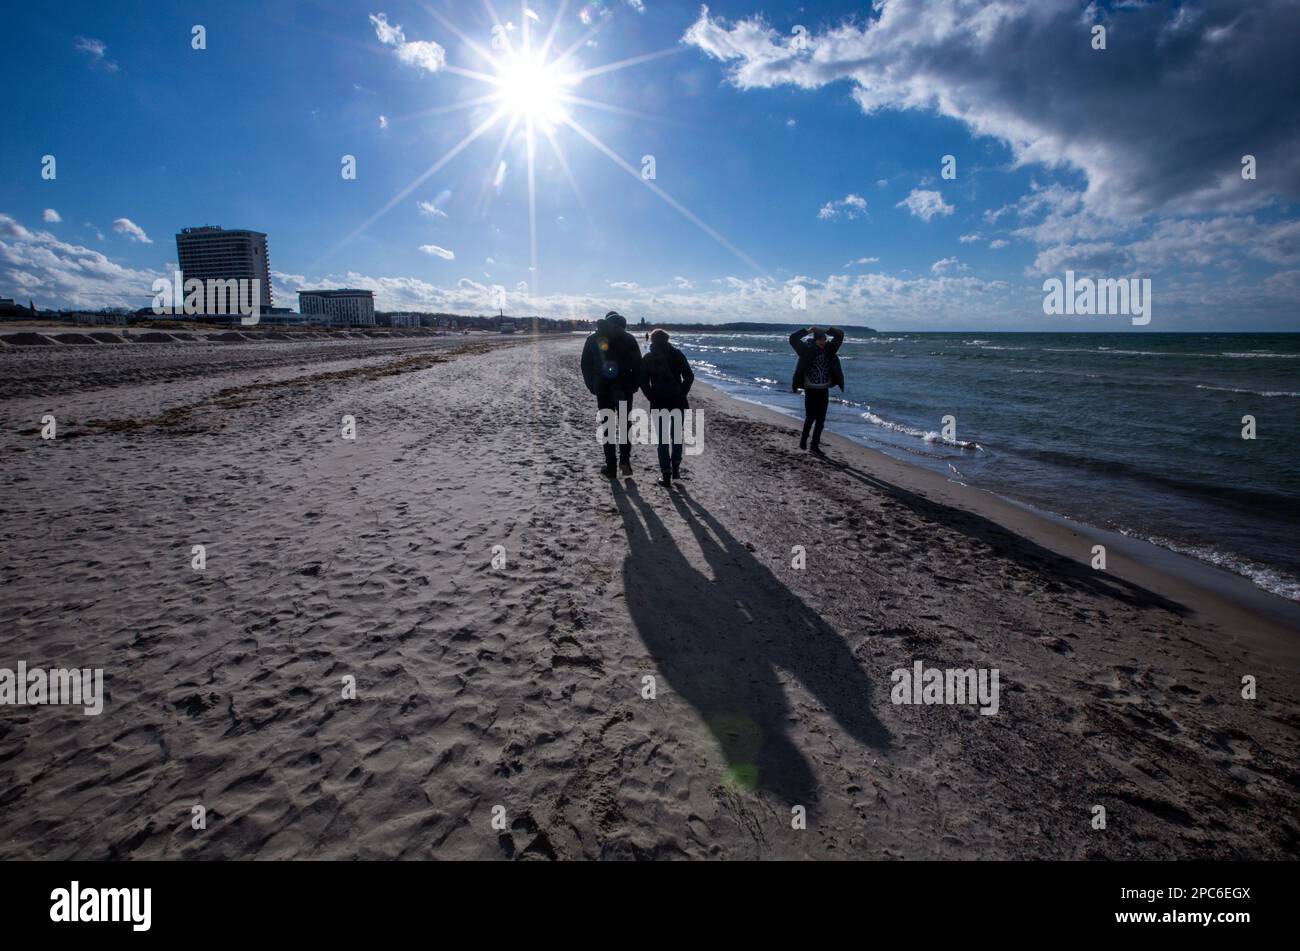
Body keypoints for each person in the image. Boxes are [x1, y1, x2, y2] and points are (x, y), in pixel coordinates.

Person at [582, 311, 643, 478]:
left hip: (602, 388)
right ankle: (625, 461)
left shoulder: (593, 338)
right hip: (623, 388)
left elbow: (585, 364)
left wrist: (592, 385)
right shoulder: (628, 338)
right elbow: (638, 365)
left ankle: (610, 466)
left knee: (607, 426)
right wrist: (635, 384)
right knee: (625, 425)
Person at [638, 328, 695, 488]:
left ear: (652, 341)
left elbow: (643, 381)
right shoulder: (677, 354)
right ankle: (676, 468)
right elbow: (689, 377)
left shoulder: (648, 358)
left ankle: (666, 474)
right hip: (678, 401)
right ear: (667, 340)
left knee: (662, 439)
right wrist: (682, 393)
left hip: (659, 402)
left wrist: (651, 396)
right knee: (676, 436)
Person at [789, 325, 844, 455]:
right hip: (811, 389)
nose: (822, 342)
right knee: (810, 418)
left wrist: (823, 330)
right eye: (820, 339)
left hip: (823, 389)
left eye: (824, 340)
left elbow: (840, 335)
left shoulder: (829, 350)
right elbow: (793, 339)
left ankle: (814, 446)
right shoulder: (805, 350)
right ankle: (803, 441)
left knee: (821, 420)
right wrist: (808, 331)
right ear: (814, 340)